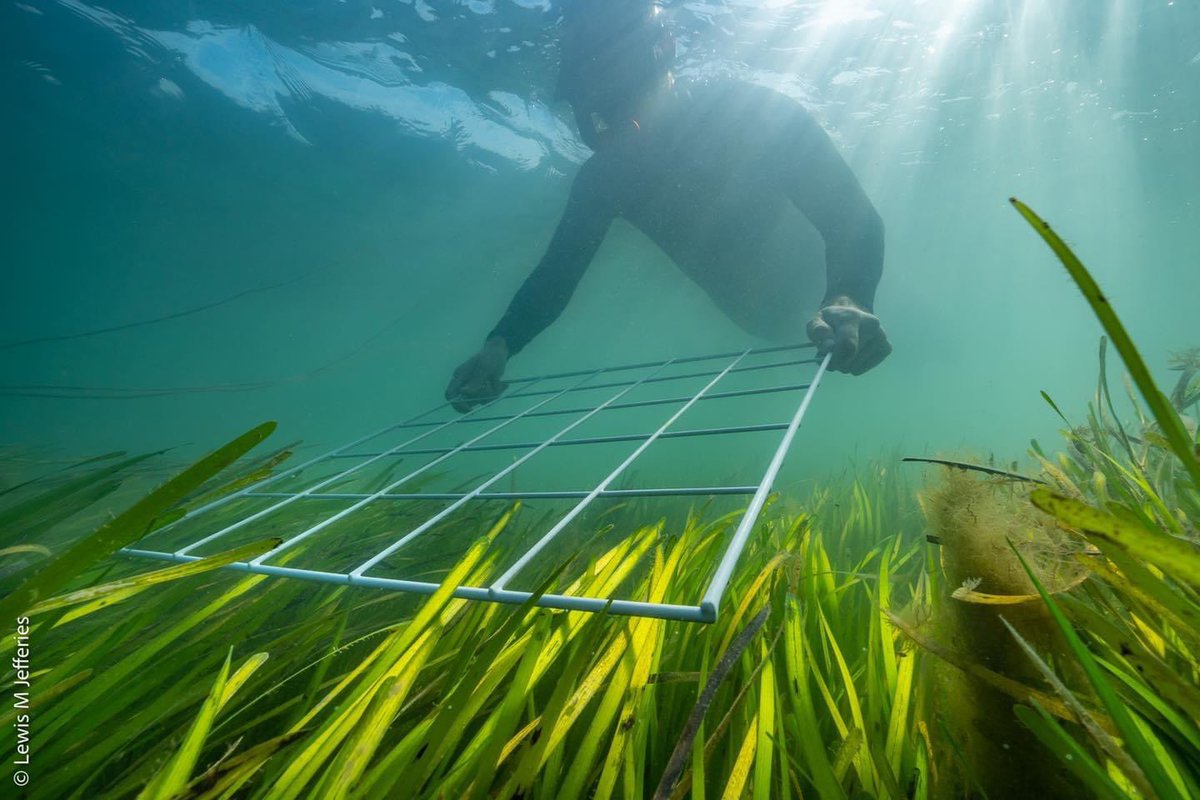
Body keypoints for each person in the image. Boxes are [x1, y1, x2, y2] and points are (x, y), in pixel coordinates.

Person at [446, 0, 890, 412]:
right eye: (592, 91)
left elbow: (852, 220)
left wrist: (849, 298)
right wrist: (499, 346)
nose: (610, 112)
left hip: (833, 305)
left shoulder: (755, 113)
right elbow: (556, 275)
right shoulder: (606, 176)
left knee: (931, 343)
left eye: (618, 79)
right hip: (786, 319)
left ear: (666, 50)